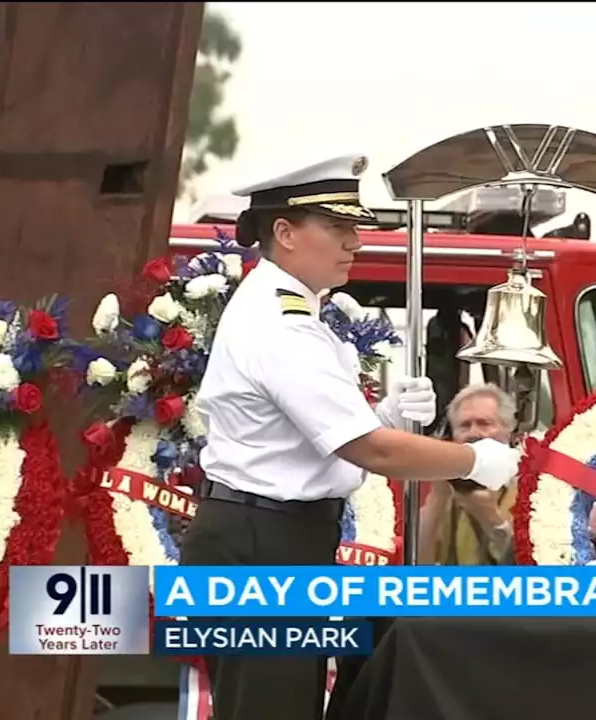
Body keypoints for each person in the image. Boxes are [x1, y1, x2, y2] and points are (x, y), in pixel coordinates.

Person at [179, 154, 522, 720]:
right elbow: (369, 451)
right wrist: (475, 459)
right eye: (337, 227)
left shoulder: (292, 311)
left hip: (276, 537)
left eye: (354, 227)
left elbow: (310, 437)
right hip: (263, 545)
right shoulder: (281, 323)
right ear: (285, 233)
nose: (355, 242)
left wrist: (382, 413)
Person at [418, 383, 520, 565]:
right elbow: (417, 564)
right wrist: (438, 497)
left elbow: (532, 566)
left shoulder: (532, 485)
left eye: (484, 423)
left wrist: (491, 519)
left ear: (508, 431)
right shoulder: (447, 491)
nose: (474, 433)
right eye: (464, 426)